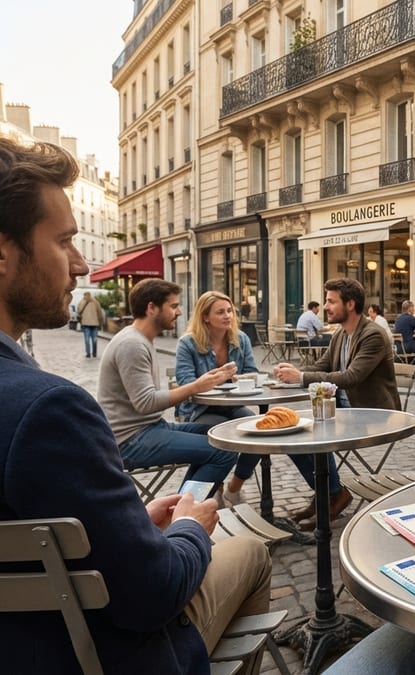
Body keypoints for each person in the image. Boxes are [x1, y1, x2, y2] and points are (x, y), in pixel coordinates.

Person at [0, 137, 272, 673]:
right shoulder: (47, 408)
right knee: (251, 547)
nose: (81, 264)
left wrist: (126, 527)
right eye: (64, 242)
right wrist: (192, 527)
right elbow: (153, 592)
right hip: (100, 653)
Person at [273, 278, 400, 528]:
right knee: (289, 437)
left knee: (314, 434)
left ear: (350, 304)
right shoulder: (341, 333)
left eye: (331, 301)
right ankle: (329, 494)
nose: (326, 307)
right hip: (342, 409)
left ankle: (332, 496)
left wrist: (300, 378)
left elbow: (351, 377)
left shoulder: (373, 334)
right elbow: (323, 367)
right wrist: (292, 372)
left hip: (372, 414)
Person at [99, 278, 239, 500]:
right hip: (130, 440)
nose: (179, 312)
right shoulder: (132, 344)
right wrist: (196, 386)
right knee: (223, 451)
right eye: (173, 306)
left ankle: (185, 503)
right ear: (152, 308)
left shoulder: (140, 340)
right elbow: (145, 403)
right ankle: (182, 514)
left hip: (150, 428)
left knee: (220, 436)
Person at [175, 290, 262, 506]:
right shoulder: (188, 343)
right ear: (205, 317)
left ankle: (234, 487)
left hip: (233, 406)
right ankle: (215, 486)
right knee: (221, 433)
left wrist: (233, 378)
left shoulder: (240, 339)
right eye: (220, 312)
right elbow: (187, 382)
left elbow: (253, 372)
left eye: (229, 311)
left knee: (260, 430)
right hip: (201, 410)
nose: (227, 316)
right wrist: (223, 377)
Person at [77, 289, 103, 357]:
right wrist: (100, 321)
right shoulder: (96, 302)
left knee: (87, 339)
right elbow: (99, 313)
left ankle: (88, 353)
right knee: (94, 339)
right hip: (94, 324)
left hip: (85, 324)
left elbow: (79, 311)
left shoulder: (82, 302)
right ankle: (94, 353)